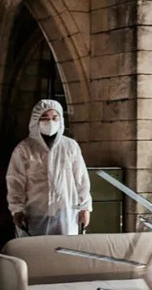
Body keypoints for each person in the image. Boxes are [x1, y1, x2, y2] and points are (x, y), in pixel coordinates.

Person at [6, 99, 92, 237]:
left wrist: (85, 208)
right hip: (35, 214)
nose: (50, 122)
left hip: (65, 213)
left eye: (54, 118)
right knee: (35, 248)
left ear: (60, 120)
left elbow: (81, 179)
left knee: (64, 248)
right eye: (45, 118)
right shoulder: (24, 149)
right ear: (36, 120)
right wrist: (17, 210)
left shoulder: (70, 146)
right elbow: (15, 181)